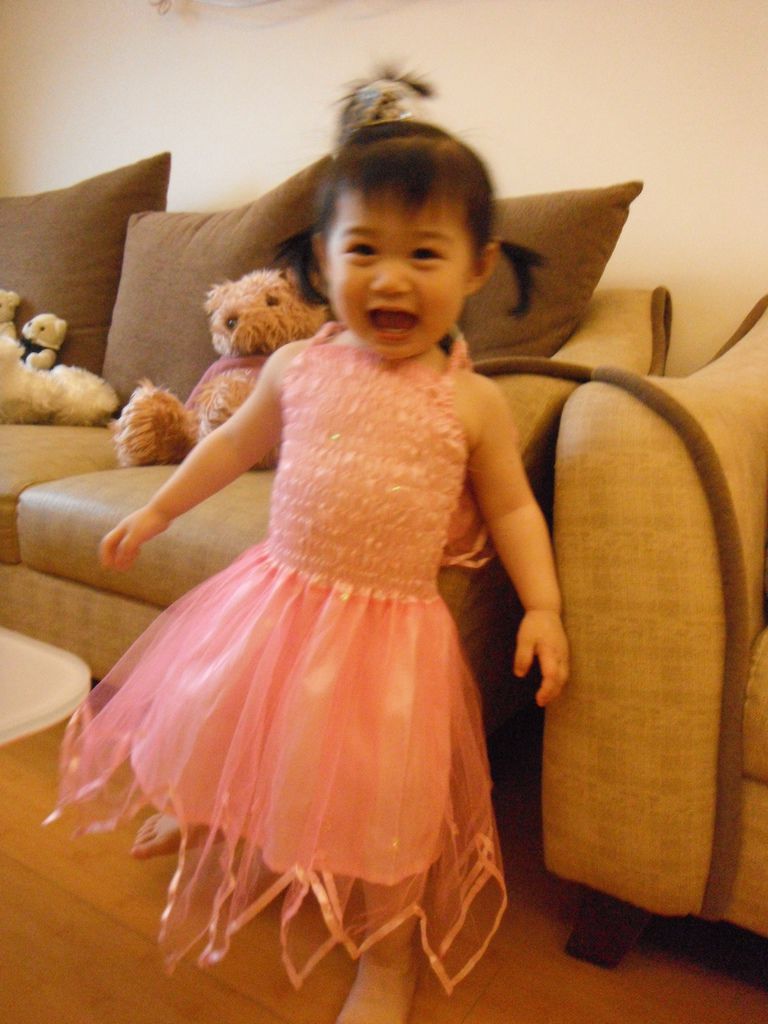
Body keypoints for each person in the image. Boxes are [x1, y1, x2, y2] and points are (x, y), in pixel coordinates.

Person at [46, 74, 569, 1024]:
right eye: (363, 250)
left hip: (389, 636)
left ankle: (388, 957)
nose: (391, 278)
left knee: (383, 805)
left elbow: (514, 511)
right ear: (322, 262)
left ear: (477, 267)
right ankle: (207, 817)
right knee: (226, 724)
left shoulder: (472, 401)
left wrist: (544, 605)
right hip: (276, 598)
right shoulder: (297, 365)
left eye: (424, 253)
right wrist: (156, 510)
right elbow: (228, 447)